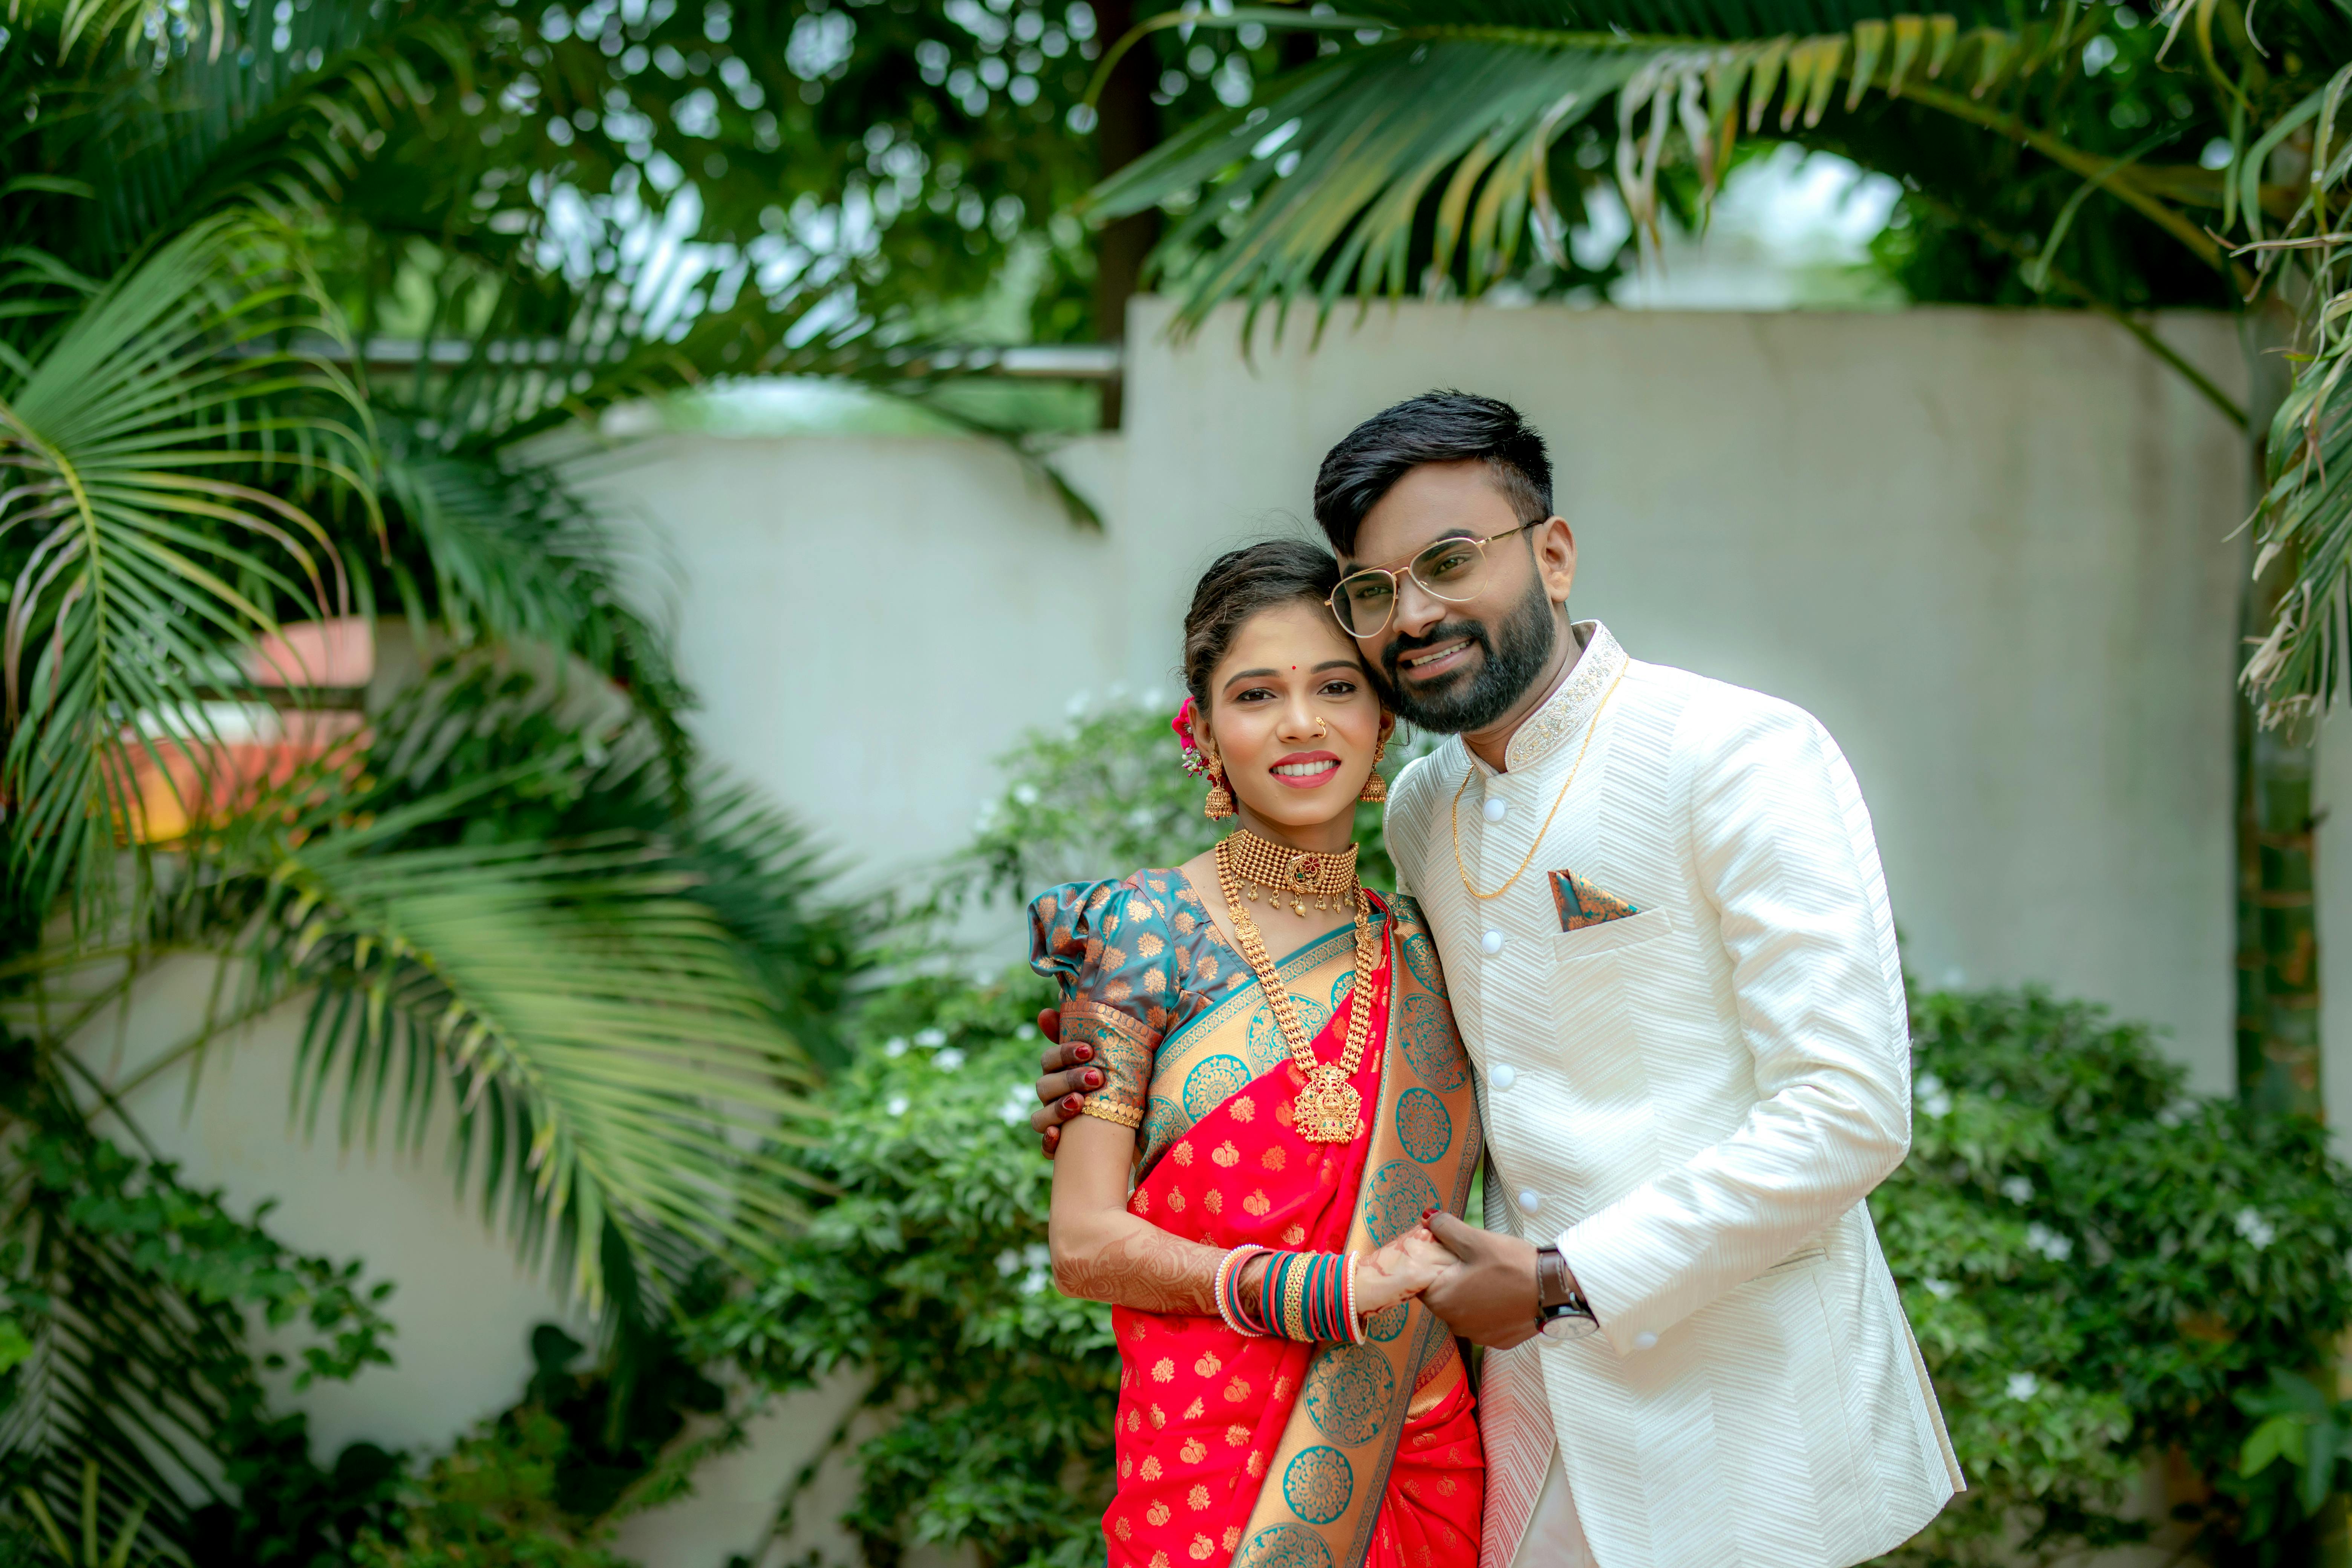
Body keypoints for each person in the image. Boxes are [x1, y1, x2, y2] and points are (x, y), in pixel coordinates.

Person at [1034, 393, 1962, 1568]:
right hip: (1509, 1431)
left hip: (1743, 1421)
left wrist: (1568, 1280)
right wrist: (1120, 1076)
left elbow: (1850, 1111)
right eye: (1379, 589)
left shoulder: (1732, 753)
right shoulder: (1427, 811)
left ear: (1555, 554)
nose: (1417, 613)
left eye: (1452, 562)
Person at [1033, 539, 1487, 1568]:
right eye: (1256, 693)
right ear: (1201, 733)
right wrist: (1327, 1291)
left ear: (1384, 718)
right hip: (1208, 1470)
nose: (1301, 723)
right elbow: (1084, 1243)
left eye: (1337, 685)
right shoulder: (1139, 929)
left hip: (1415, 1449)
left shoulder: (1431, 944)